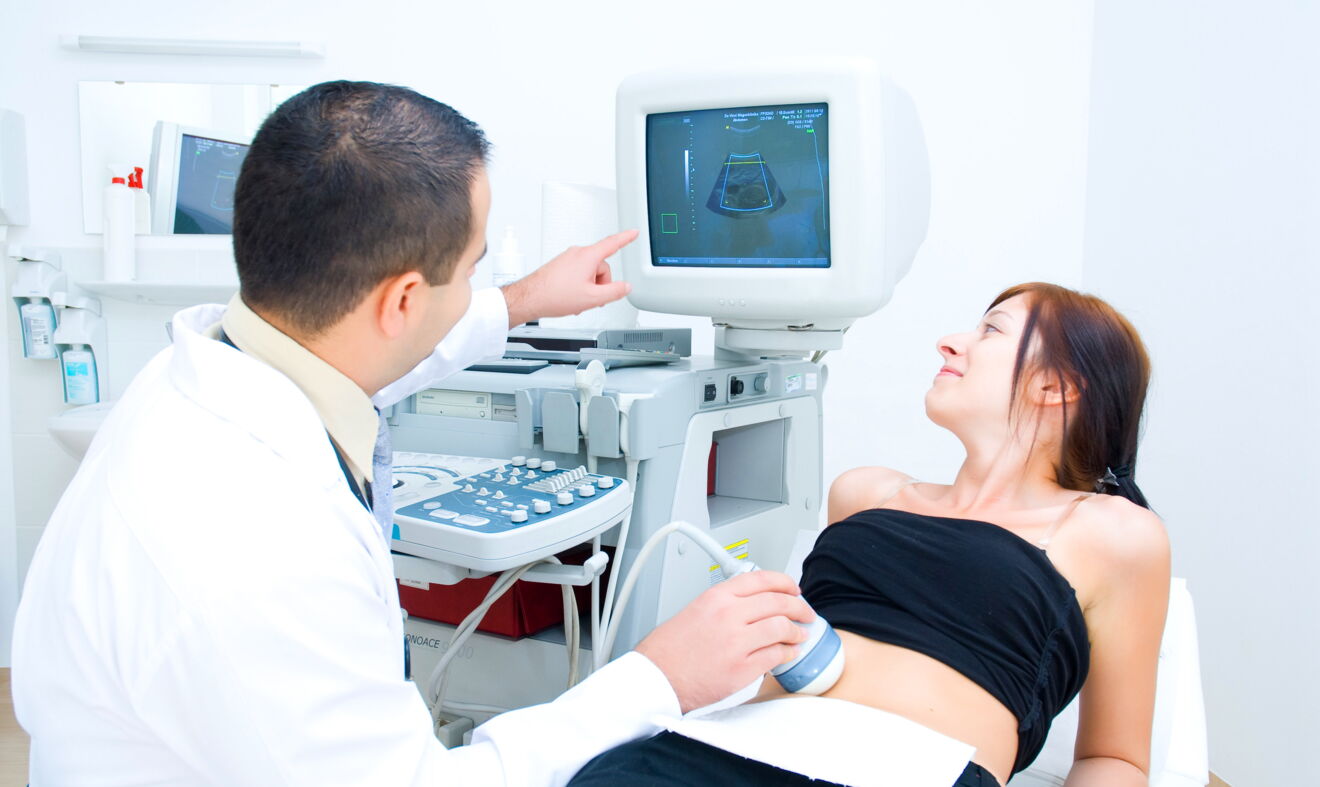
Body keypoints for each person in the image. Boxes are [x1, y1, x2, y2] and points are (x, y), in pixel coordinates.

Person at [10, 81, 814, 786]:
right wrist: (659, 676)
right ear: (400, 300)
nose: (476, 285)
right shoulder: (262, 553)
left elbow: (375, 357)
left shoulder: (212, 366)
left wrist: (524, 299)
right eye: (472, 268)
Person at [571, 283, 1171, 787]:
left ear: (1056, 386)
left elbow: (1113, 758)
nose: (950, 342)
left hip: (913, 769)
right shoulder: (866, 491)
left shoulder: (1113, 533)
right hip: (714, 751)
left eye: (991, 331)